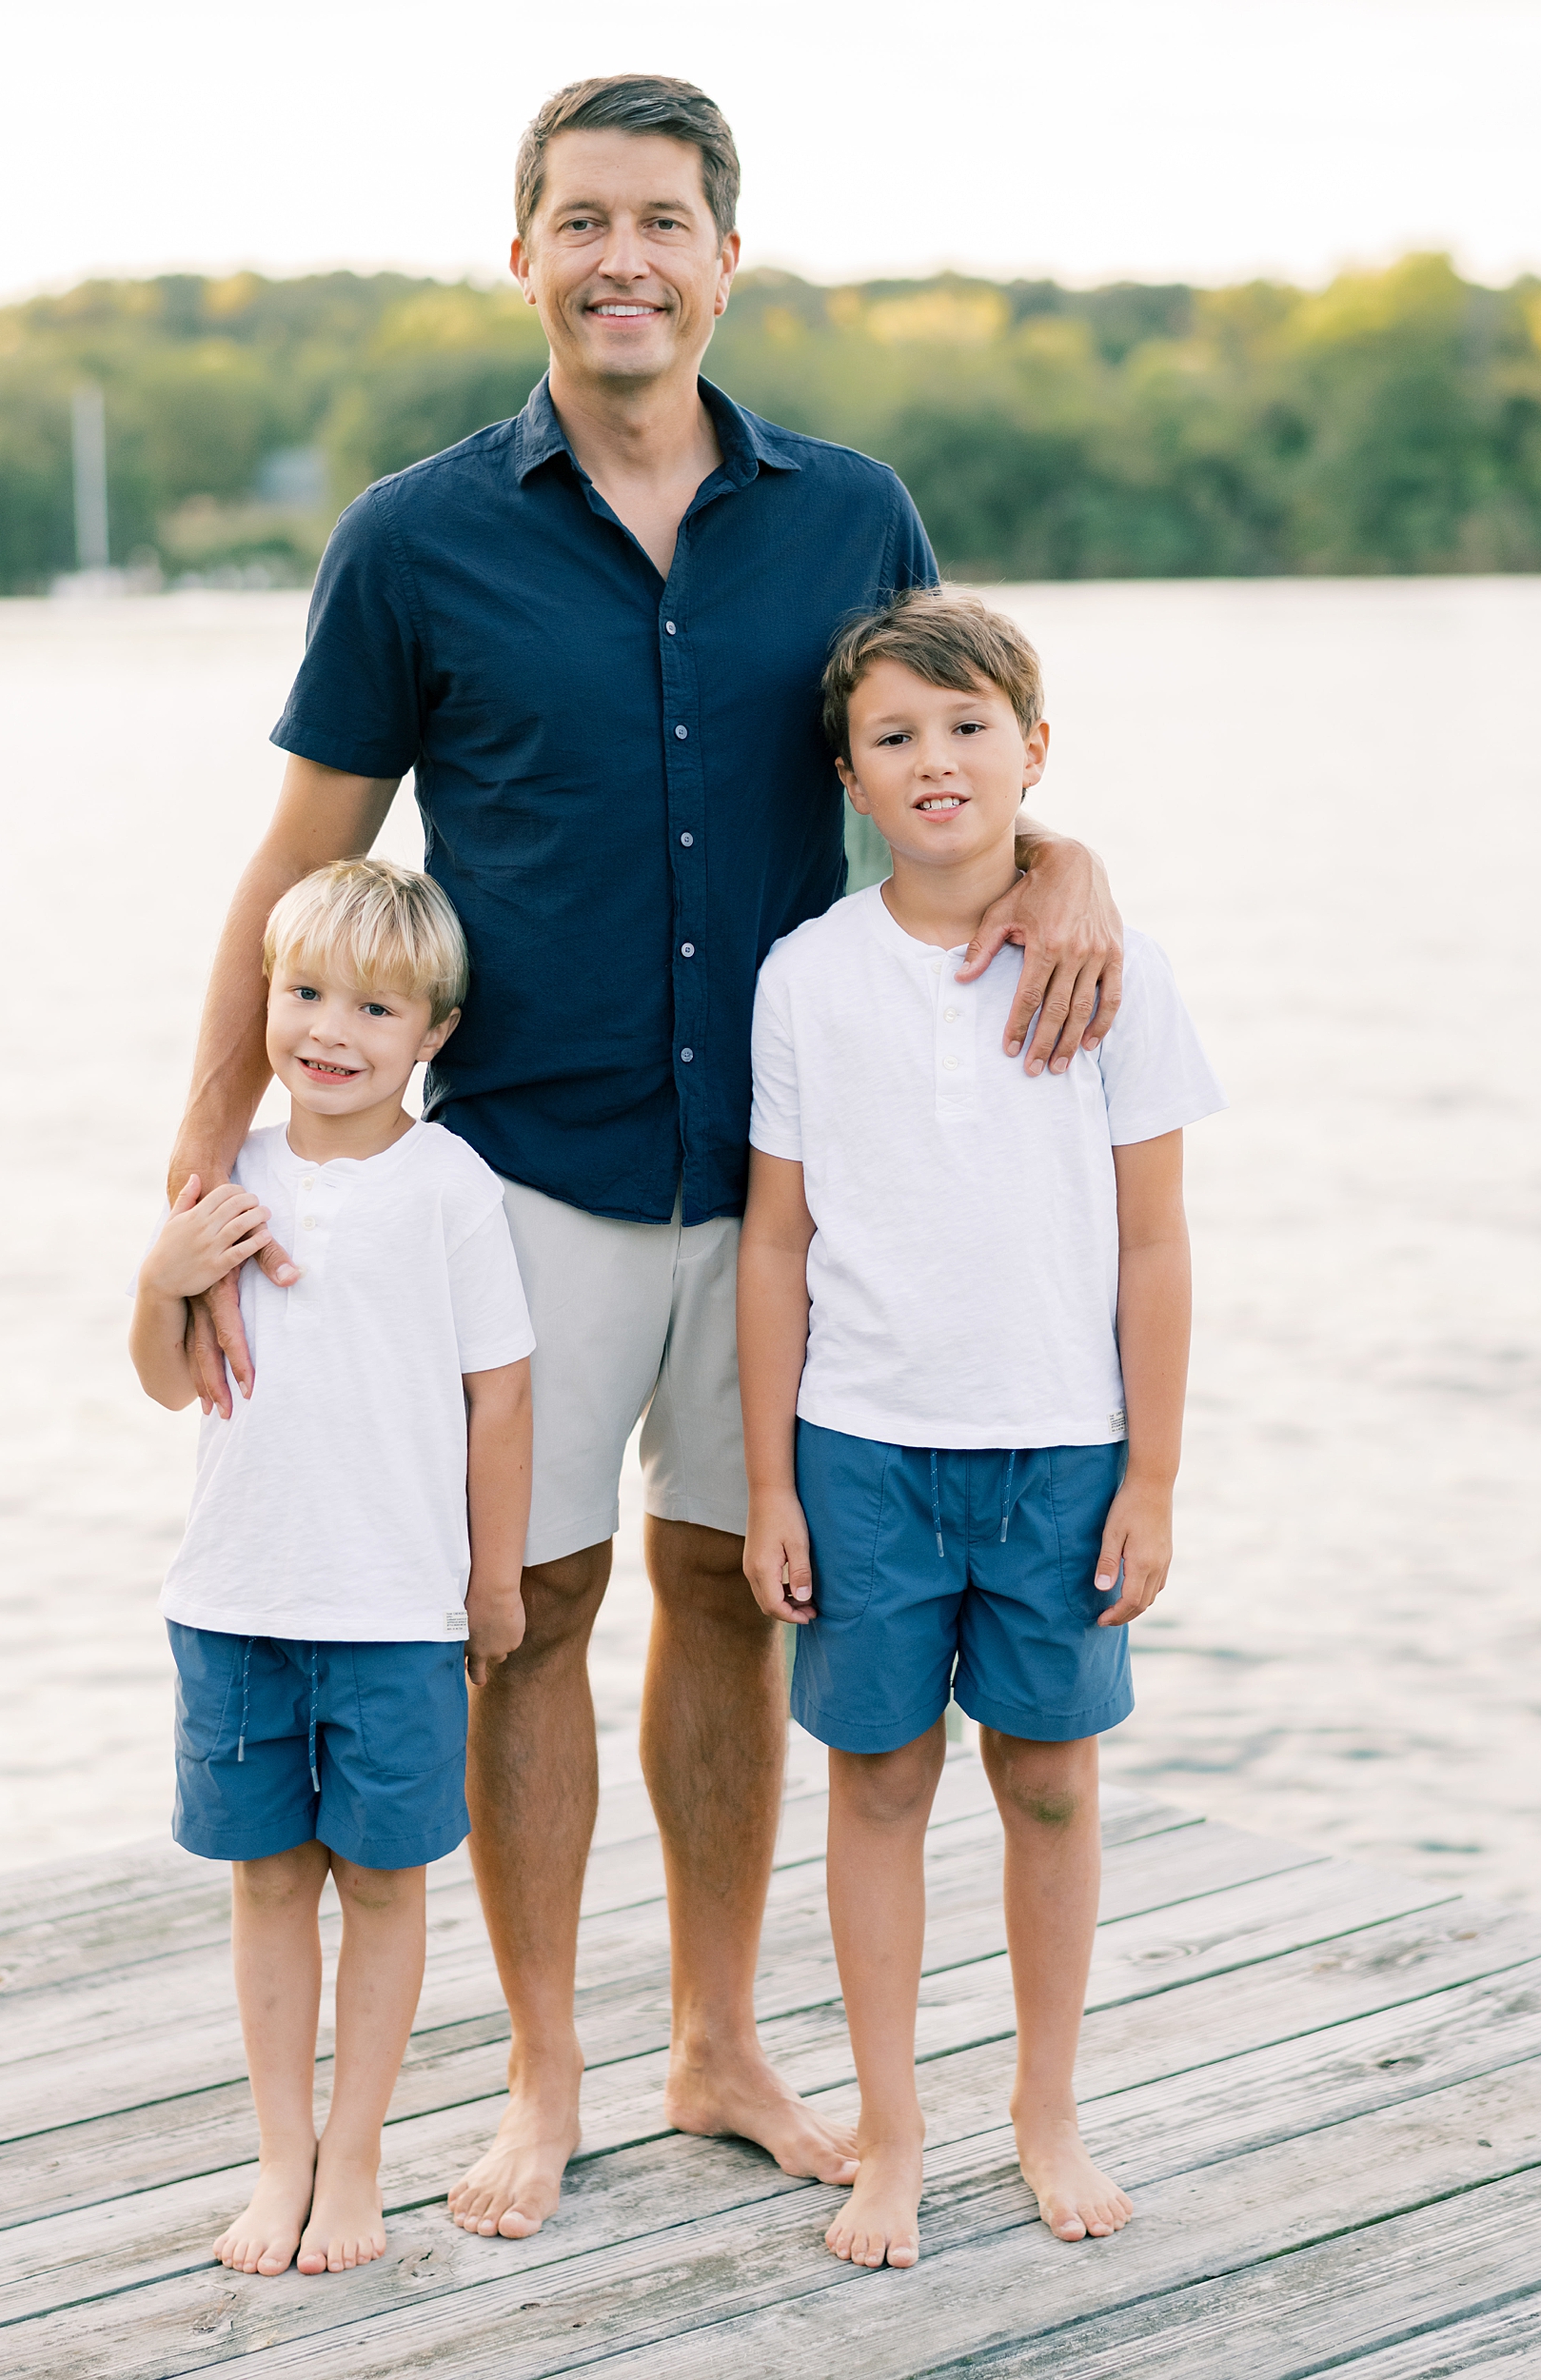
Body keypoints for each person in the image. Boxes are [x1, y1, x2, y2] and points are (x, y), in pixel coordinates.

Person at [166, 72, 1126, 2242]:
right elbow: (298, 864)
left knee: (730, 1588)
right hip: (523, 1170)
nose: (624, 257)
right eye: (582, 218)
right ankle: (542, 2067)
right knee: (524, 1612)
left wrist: (1068, 858)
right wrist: (201, 1173)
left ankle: (714, 2034)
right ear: (523, 251)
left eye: (664, 220)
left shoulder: (848, 507)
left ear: (722, 258)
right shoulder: (414, 537)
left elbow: (946, 748)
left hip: (794, 1179)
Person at [738, 590, 1226, 2269]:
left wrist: (1151, 1473)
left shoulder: (1116, 970)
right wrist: (769, 1488)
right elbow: (780, 1245)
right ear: (853, 781)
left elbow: (1153, 1239)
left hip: (1061, 1452)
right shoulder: (805, 980)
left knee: (1048, 1793)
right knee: (876, 1786)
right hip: (861, 1450)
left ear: (1035, 748)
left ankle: (1046, 2109)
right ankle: (893, 2133)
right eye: (895, 738)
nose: (935, 762)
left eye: (966, 728)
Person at [131, 859, 535, 2277]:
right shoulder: (225, 1176)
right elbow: (169, 1384)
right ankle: (282, 2155)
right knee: (264, 1883)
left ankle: (357, 2155)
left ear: (432, 1032)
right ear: (269, 1000)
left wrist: (494, 1587)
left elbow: (501, 1397)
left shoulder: (450, 1187)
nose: (332, 1029)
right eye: (305, 993)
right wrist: (164, 1274)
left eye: (375, 1006)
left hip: (394, 1610)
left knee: (381, 1883)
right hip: (235, 1600)